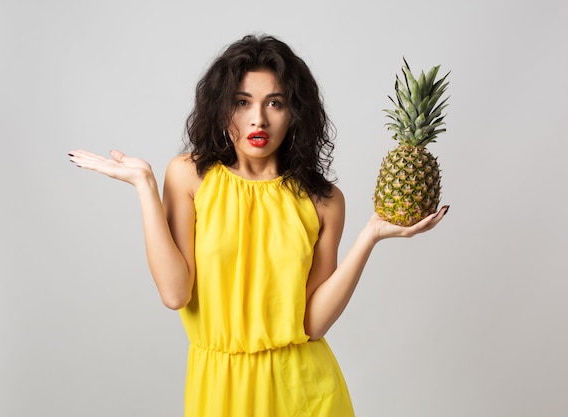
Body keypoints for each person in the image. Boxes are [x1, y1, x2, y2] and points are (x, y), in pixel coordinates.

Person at [68, 34, 448, 417]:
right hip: (219, 391)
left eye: (275, 103)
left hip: (304, 393)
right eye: (242, 102)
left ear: (295, 113)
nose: (258, 119)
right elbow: (175, 294)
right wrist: (145, 187)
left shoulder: (324, 201)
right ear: (221, 108)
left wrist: (371, 236)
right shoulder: (188, 176)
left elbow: (312, 325)